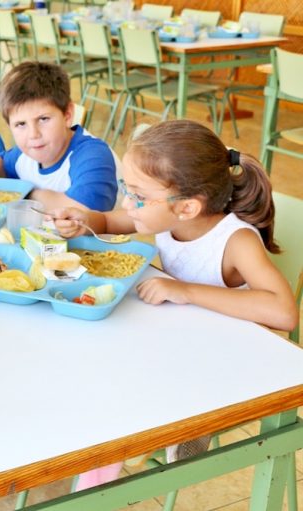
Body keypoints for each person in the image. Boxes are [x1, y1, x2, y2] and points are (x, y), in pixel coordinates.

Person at [53, 120, 298, 491]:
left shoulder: (236, 241)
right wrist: (90, 220)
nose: (127, 203)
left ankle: (118, 468)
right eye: (126, 188)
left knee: (119, 402)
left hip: (229, 359)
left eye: (137, 195)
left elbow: (283, 312)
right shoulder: (169, 218)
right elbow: (117, 220)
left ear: (186, 207)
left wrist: (186, 291)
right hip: (181, 339)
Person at [0, 61, 118, 212]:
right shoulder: (29, 152)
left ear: (67, 115)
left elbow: (85, 212)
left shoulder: (93, 155)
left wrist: (26, 193)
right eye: (21, 124)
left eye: (43, 119)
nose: (33, 134)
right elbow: (1, 165)